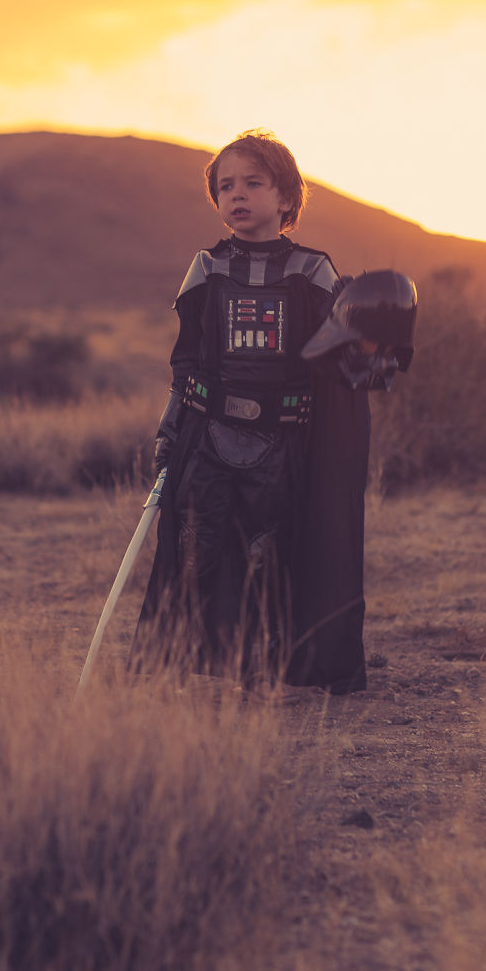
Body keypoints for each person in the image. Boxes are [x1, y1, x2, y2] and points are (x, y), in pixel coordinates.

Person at [129, 128, 415, 695]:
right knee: (195, 550)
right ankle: (188, 667)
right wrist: (171, 429)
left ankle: (266, 671)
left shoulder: (312, 273)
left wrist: (369, 328)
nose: (237, 195)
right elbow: (185, 361)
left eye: (253, 183)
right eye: (225, 185)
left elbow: (342, 360)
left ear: (286, 198)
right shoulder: (206, 270)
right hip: (208, 436)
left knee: (270, 558)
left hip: (281, 444)